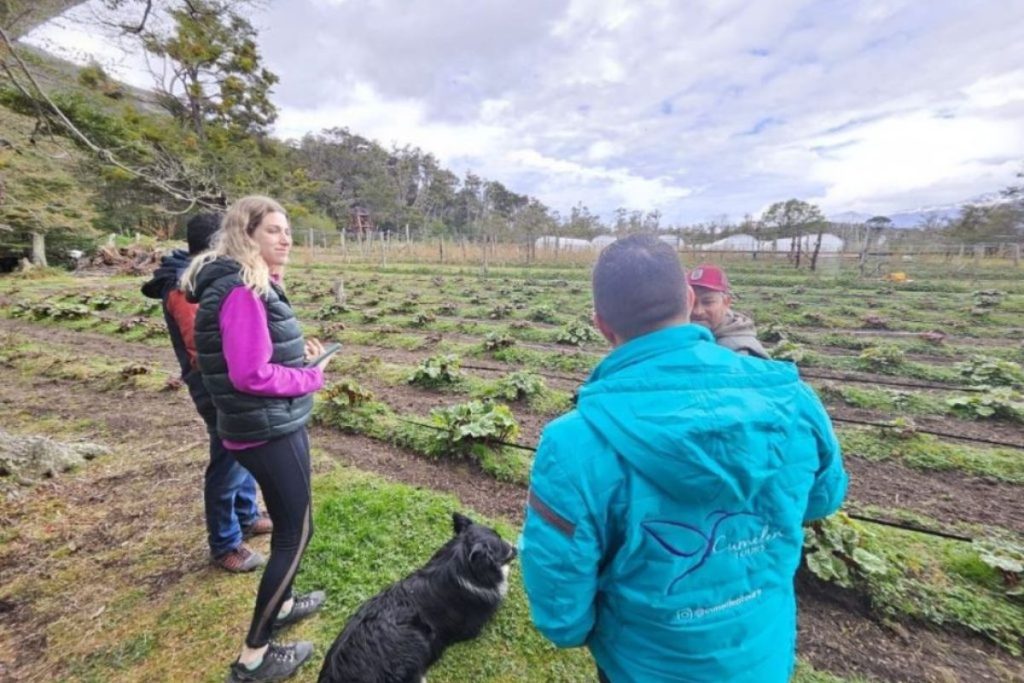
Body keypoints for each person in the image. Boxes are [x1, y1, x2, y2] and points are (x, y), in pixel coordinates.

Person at [519, 235, 847, 682]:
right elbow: (824, 499)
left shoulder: (573, 441)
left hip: (643, 665)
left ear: (601, 324)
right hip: (761, 657)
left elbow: (560, 601)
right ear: (690, 299)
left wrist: (579, 631)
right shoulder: (792, 397)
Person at [181, 196, 333, 682]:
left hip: (270, 422)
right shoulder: (243, 290)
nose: (285, 238)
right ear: (247, 236)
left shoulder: (250, 284)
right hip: (267, 427)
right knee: (296, 532)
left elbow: (258, 356)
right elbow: (249, 374)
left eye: (287, 230)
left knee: (293, 525)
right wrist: (310, 379)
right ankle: (254, 658)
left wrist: (300, 361)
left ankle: (283, 603)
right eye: (272, 230)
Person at [141, 213, 271, 573]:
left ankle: (246, 515)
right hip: (214, 383)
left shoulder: (203, 273)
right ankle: (225, 543)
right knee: (228, 455)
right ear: (219, 241)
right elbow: (201, 345)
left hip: (227, 378)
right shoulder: (186, 285)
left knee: (245, 450)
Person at [686, 263, 770, 358]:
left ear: (726, 302)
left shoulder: (741, 354)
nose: (697, 311)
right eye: (691, 302)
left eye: (708, 302)